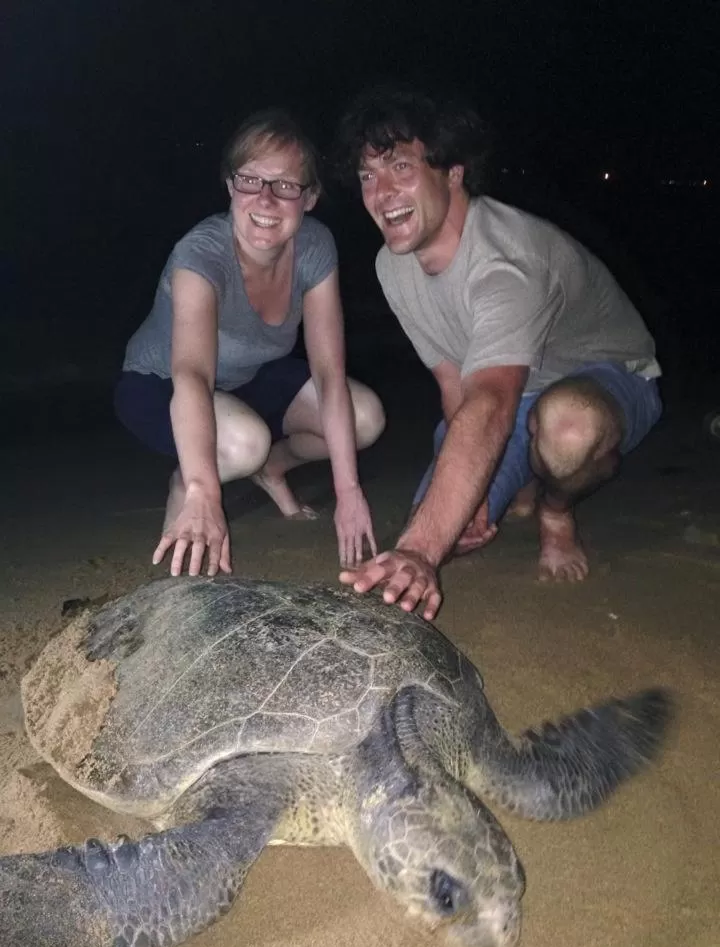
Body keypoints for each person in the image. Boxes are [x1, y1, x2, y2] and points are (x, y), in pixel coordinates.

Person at [334, 84, 662, 620]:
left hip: (606, 377)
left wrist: (420, 550)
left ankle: (555, 508)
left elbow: (491, 399)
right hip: (507, 392)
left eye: (401, 167)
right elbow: (454, 382)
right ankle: (525, 475)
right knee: (447, 524)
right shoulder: (391, 266)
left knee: (567, 430)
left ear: (452, 171)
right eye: (368, 175)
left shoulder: (507, 260)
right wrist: (470, 496)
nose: (381, 192)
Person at [115, 109, 385, 577]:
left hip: (248, 379)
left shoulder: (316, 247)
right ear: (230, 186)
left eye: (285, 185)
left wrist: (349, 492)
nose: (265, 198)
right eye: (250, 180)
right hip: (160, 384)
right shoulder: (201, 253)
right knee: (243, 444)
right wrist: (204, 489)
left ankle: (271, 467)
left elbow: (328, 373)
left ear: (310, 197)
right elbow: (192, 375)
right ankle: (186, 485)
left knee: (366, 417)